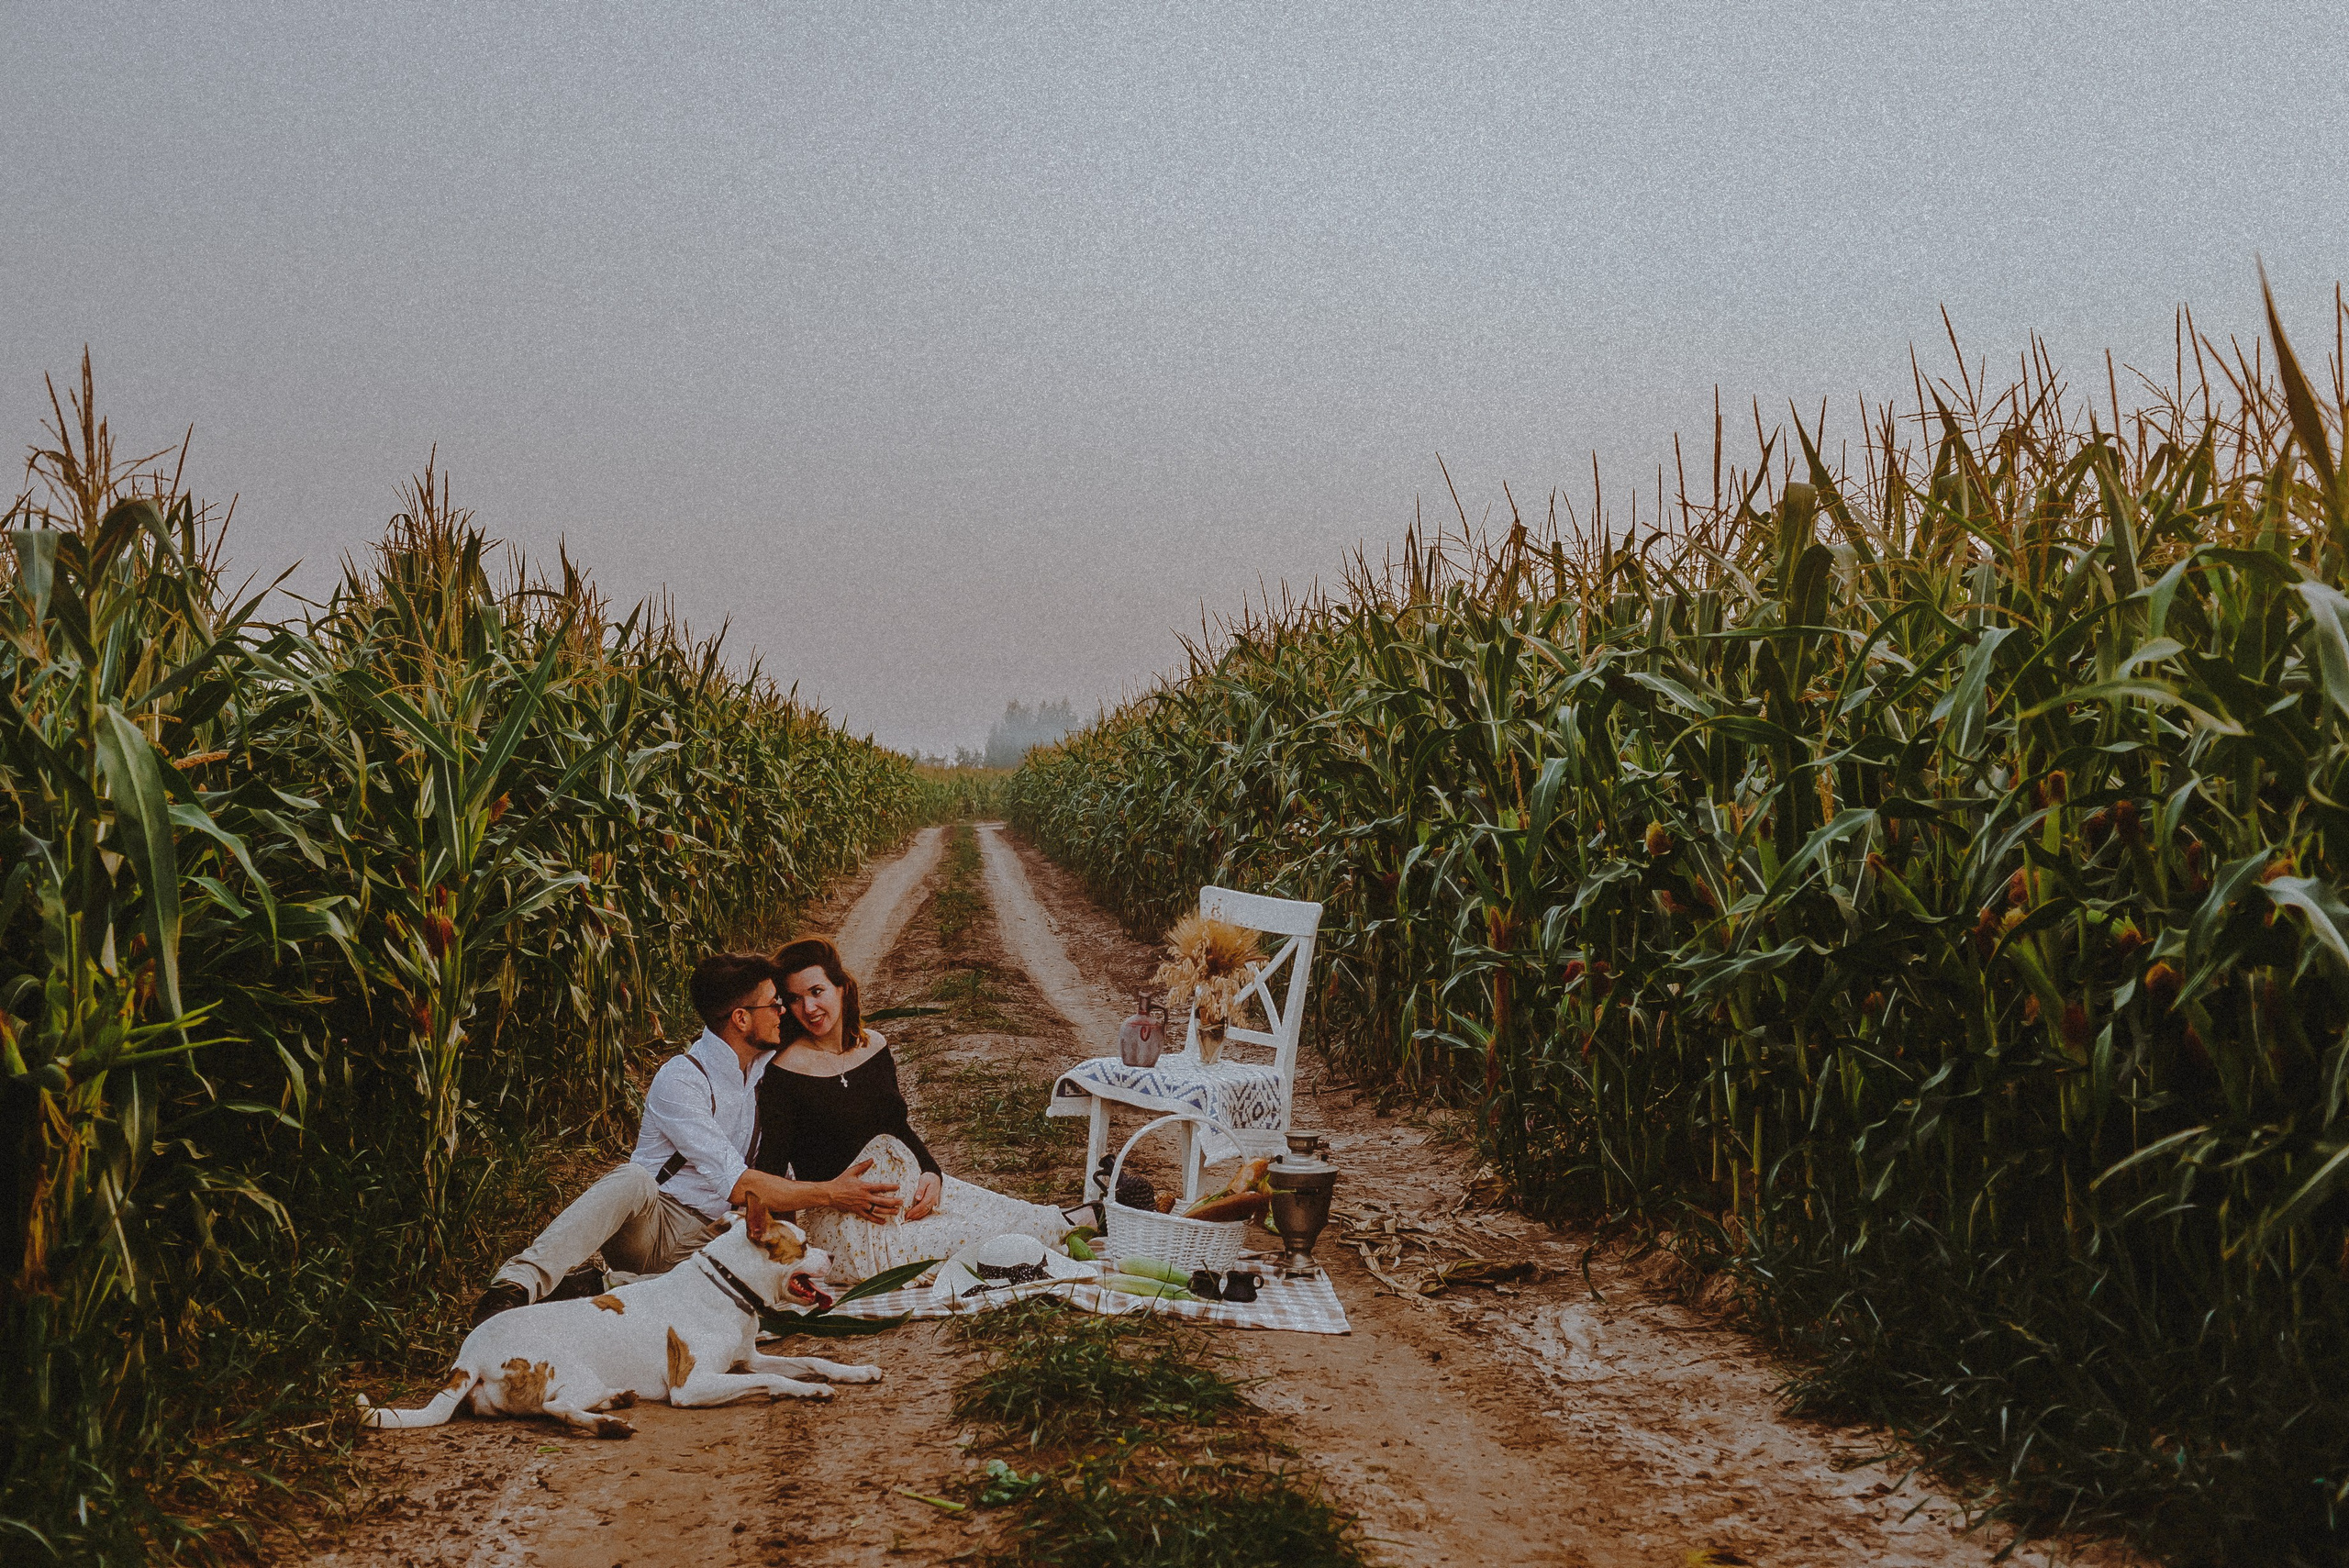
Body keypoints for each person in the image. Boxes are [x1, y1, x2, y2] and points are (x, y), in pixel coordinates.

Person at [468, 951, 905, 1326]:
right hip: (656, 1224)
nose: (786, 1012)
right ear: (740, 1018)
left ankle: (593, 1288)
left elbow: (828, 1036)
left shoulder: (767, 1064)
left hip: (718, 1231)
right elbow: (738, 1183)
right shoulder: (682, 1079)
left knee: (752, 1278)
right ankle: (515, 1286)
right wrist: (830, 1194)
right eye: (775, 1004)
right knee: (632, 1178)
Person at [754, 936, 1076, 1284]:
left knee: (1035, 1222)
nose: (809, 1008)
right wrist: (787, 1259)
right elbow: (770, 1172)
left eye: (816, 991)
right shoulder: (784, 1071)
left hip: (910, 1192)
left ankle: (1098, 1216)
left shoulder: (874, 1047)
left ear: (842, 988)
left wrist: (931, 1172)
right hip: (853, 1226)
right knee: (994, 1242)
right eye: (795, 999)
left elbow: (897, 1126)